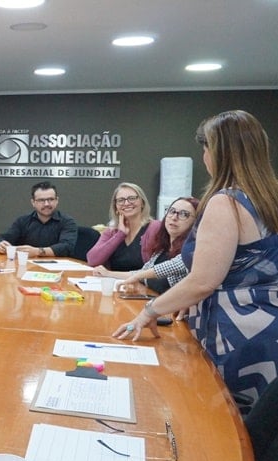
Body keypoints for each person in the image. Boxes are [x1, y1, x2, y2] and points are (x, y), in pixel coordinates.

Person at [113, 110, 278, 408]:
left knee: (220, 431)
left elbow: (203, 280)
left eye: (206, 148)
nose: (204, 156)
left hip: (234, 337)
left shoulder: (225, 202)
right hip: (266, 333)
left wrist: (149, 311)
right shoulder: (269, 197)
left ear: (220, 152)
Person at [94, 196, 199, 294]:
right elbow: (143, 272)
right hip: (151, 304)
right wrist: (108, 274)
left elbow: (170, 266)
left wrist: (137, 276)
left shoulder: (193, 248)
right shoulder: (163, 249)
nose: (174, 217)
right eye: (171, 211)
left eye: (184, 214)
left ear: (196, 221)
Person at [0, 181, 77, 258]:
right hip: (27, 267)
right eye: (41, 200)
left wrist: (37, 251)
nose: (47, 204)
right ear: (33, 202)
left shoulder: (67, 222)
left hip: (58, 267)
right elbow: (3, 238)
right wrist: (0, 244)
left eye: (51, 199)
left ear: (57, 200)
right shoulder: (22, 221)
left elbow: (66, 247)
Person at [86, 182, 152, 271]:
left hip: (142, 283)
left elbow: (155, 269)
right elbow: (92, 260)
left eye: (132, 198)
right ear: (116, 207)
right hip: (114, 283)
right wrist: (120, 235)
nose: (127, 203)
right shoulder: (111, 231)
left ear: (142, 203)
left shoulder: (154, 228)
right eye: (121, 200)